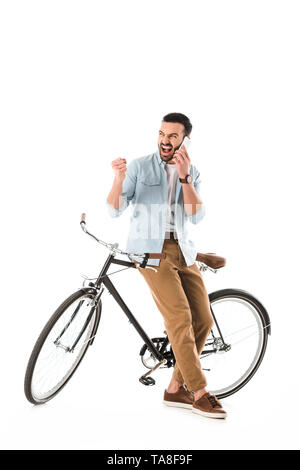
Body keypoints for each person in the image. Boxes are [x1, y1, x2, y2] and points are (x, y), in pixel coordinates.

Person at [106, 112, 227, 419]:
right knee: (180, 318)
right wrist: (118, 178)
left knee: (203, 320)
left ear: (185, 139)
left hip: (183, 251)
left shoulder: (193, 171)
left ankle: (175, 388)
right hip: (150, 253)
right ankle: (199, 391)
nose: (165, 140)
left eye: (173, 136)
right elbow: (114, 209)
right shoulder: (140, 166)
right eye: (162, 133)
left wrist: (185, 177)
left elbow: (196, 216)